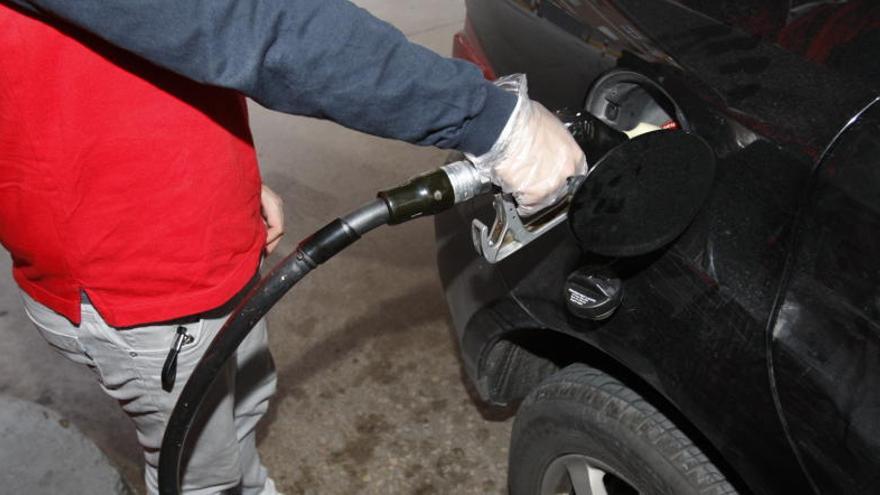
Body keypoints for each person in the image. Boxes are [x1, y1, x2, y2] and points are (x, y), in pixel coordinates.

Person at [0, 1, 586, 493]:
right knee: (198, 471)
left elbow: (140, 42)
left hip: (194, 235)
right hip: (139, 284)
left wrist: (221, 168)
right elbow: (247, 21)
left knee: (244, 401)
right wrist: (491, 122)